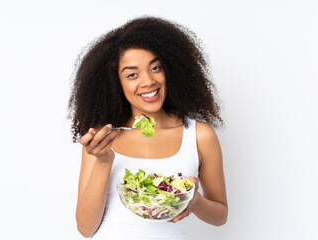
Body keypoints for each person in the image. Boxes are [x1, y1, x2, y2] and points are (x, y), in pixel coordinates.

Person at [68, 16, 228, 240]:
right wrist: (104, 161)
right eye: (132, 74)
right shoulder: (103, 137)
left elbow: (220, 215)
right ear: (116, 83)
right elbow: (85, 228)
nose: (148, 82)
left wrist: (195, 201)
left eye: (155, 67)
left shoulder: (199, 135)